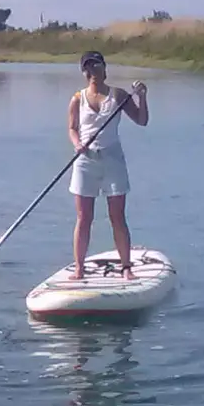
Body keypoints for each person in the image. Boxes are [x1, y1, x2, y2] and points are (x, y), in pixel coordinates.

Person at [67, 50, 149, 280]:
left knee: (117, 216)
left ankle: (126, 267)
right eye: (88, 68)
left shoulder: (119, 95)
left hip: (112, 159)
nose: (93, 71)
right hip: (85, 161)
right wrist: (77, 144)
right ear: (84, 72)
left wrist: (142, 97)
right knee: (84, 218)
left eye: (97, 66)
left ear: (105, 68)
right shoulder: (77, 98)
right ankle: (79, 269)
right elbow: (72, 128)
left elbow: (142, 120)